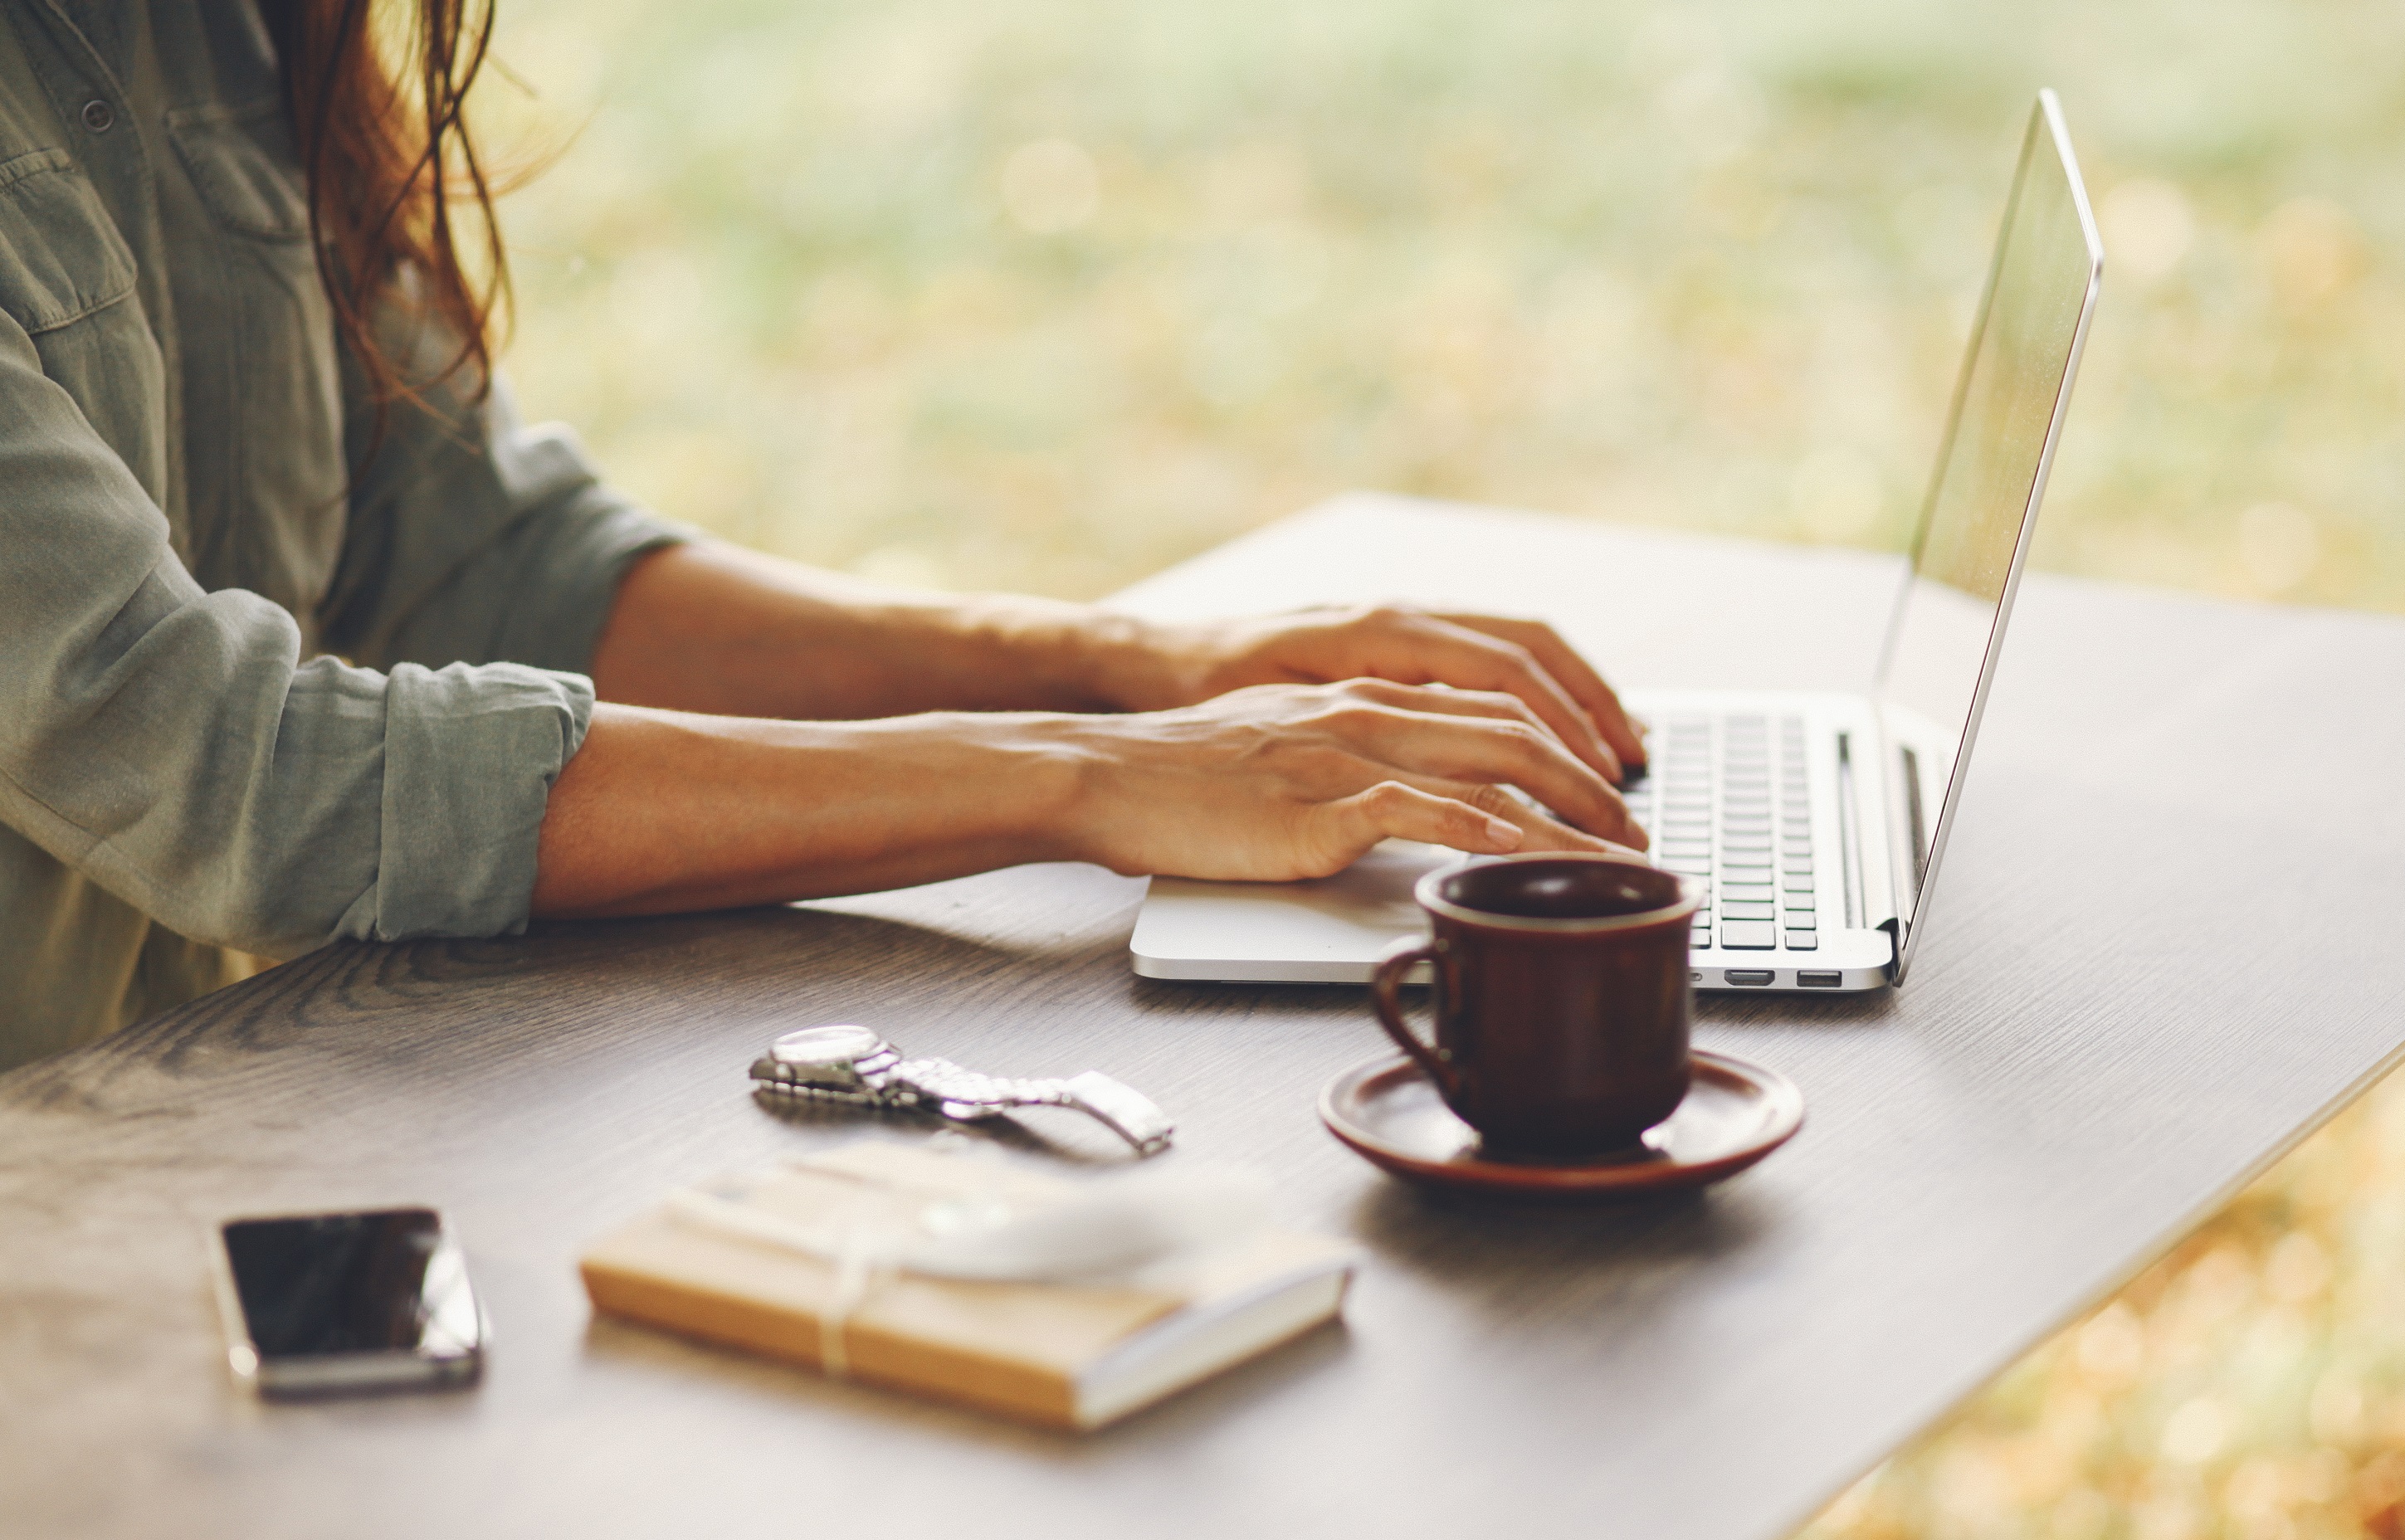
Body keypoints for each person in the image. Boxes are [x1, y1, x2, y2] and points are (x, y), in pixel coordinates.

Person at [0, 0, 1646, 1075]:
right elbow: (222, 767)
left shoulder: (200, 29)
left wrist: (1136, 669)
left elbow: (480, 552)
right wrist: (1075, 777)